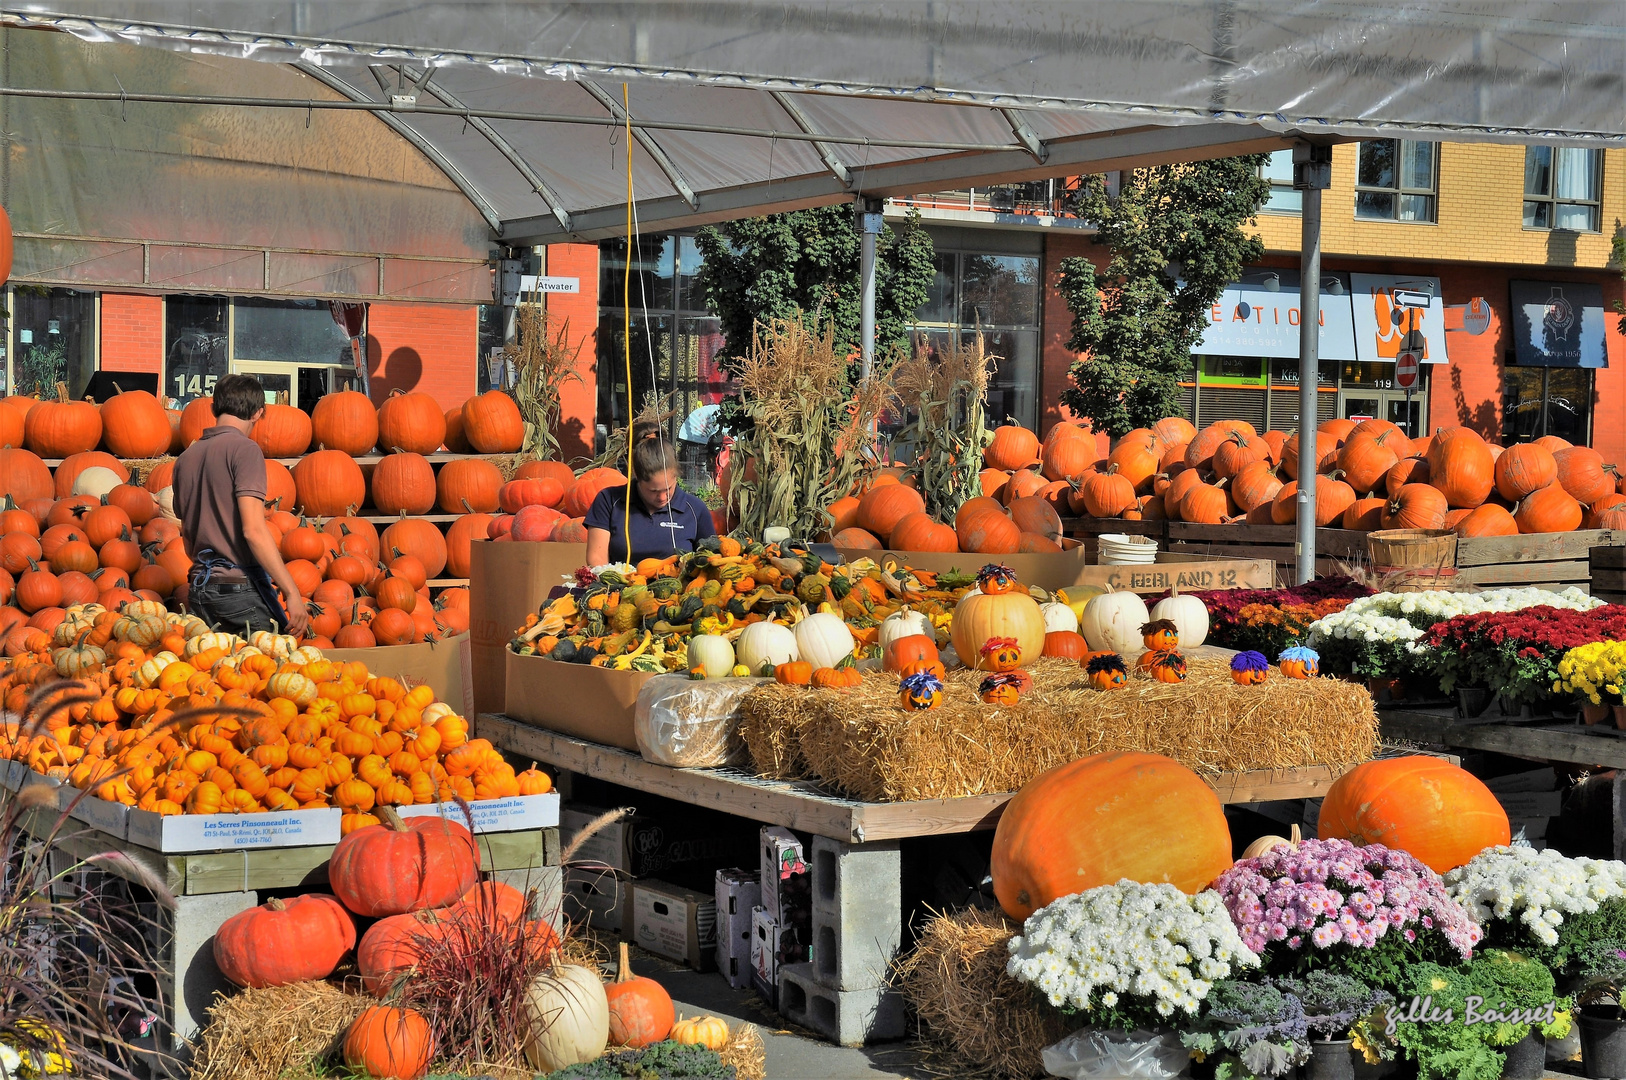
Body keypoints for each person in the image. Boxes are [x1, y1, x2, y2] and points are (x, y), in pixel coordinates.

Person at [171, 374, 310, 638]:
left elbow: (186, 530)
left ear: (214, 408)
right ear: (258, 413)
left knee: (221, 672)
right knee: (272, 667)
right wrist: (291, 592)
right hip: (236, 588)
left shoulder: (185, 459)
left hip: (200, 588)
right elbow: (253, 531)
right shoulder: (245, 450)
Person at [584, 422, 717, 565]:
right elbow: (596, 560)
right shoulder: (608, 501)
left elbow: (712, 559)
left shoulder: (695, 509)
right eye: (653, 491)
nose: (662, 497)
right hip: (622, 586)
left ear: (677, 476)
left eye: (668, 489)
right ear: (636, 476)